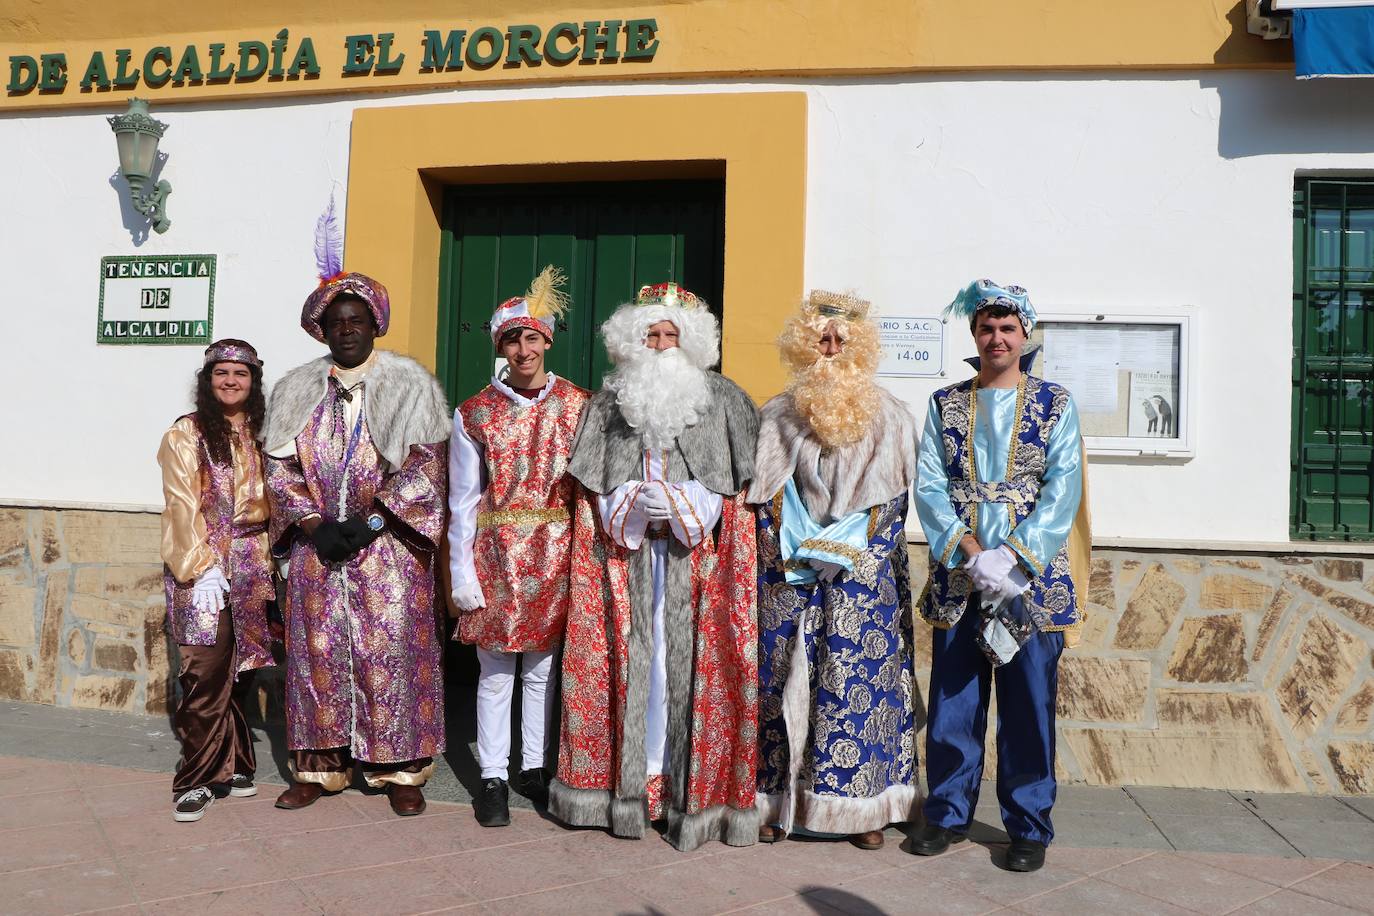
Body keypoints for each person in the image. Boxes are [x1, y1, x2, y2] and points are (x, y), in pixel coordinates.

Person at [551, 282, 761, 851]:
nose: (662, 344)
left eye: (672, 334)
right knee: (638, 667)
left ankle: (690, 795)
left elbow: (736, 484)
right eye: (651, 334)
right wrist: (628, 506)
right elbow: (592, 484)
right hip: (626, 564)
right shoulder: (607, 401)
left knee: (689, 667)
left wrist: (691, 503)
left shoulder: (725, 398)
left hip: (702, 565)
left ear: (691, 341)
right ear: (632, 341)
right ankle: (630, 792)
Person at [912, 279, 1090, 873]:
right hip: (961, 576)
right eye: (987, 327)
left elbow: (1064, 488)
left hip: (1029, 583)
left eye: (1008, 329)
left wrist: (1012, 554)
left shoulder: (1056, 405)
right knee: (955, 701)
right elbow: (931, 485)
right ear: (974, 333)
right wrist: (968, 550)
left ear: (1025, 335)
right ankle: (945, 813)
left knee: (1028, 704)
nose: (997, 337)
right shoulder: (945, 404)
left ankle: (1029, 824)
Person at [263, 270, 450, 817]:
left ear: (375, 325)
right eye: (335, 323)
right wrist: (311, 523)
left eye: (356, 321)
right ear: (321, 331)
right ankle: (318, 767)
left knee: (391, 654)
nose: (346, 331)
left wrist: (373, 523)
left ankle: (400, 769)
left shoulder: (409, 385)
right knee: (316, 656)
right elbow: (279, 469)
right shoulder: (296, 388)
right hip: (317, 549)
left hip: (387, 550)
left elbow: (426, 465)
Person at [749, 291, 919, 851]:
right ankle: (776, 804)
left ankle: (863, 810)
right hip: (790, 575)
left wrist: (843, 549)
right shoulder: (775, 414)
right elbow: (765, 494)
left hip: (860, 580)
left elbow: (890, 503)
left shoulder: (891, 415)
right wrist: (798, 546)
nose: (831, 347)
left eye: (841, 339)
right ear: (805, 343)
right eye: (821, 338)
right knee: (776, 684)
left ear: (859, 346)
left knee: (857, 689)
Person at [448, 267, 592, 827]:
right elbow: (462, 499)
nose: (523, 348)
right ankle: (492, 776)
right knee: (495, 670)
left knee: (541, 667)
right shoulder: (475, 412)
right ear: (499, 345)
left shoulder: (579, 405)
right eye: (512, 338)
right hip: (498, 552)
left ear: (547, 341)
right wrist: (462, 572)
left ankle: (534, 766)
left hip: (559, 550)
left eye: (532, 337)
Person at [158, 339, 276, 823]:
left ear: (253, 382)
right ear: (207, 381)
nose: (231, 381)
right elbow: (181, 504)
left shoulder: (264, 434)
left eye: (240, 374)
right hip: (201, 567)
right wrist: (200, 566)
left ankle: (235, 762)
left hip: (253, 563)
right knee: (204, 670)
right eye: (221, 373)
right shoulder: (187, 434)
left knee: (244, 668)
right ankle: (197, 778)